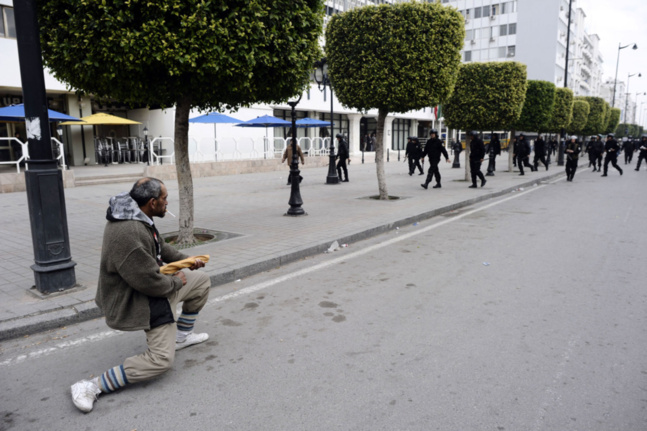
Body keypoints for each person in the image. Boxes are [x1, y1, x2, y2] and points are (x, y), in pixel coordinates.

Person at [70, 178, 211, 413]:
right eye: (165, 198)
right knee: (161, 361)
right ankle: (91, 386)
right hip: (140, 298)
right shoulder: (129, 232)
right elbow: (148, 282)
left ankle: (182, 336)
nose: (168, 202)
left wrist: (188, 261)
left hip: (154, 285)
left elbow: (161, 249)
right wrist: (177, 281)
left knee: (201, 282)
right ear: (153, 202)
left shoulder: (138, 215)